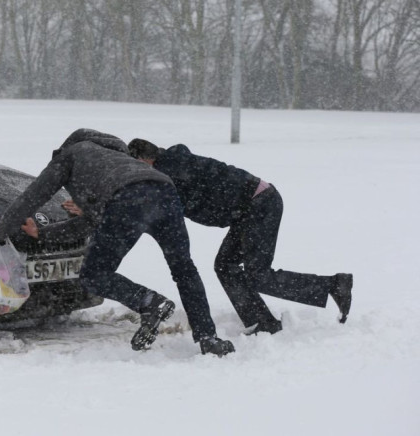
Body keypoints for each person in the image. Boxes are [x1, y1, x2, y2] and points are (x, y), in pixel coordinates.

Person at [0, 129, 235, 356]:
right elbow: (97, 220)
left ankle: (149, 302)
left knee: (94, 275)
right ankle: (207, 337)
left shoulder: (71, 155)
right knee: (184, 268)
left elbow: (31, 197)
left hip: (128, 201)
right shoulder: (117, 160)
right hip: (166, 194)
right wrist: (43, 234)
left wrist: (1, 231)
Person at [125, 139, 353, 334]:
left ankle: (333, 285)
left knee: (258, 275)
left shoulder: (172, 172)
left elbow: (172, 207)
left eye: (137, 167)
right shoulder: (172, 167)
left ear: (144, 160)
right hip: (249, 209)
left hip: (260, 203)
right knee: (225, 265)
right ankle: (262, 322)